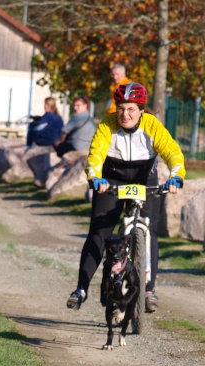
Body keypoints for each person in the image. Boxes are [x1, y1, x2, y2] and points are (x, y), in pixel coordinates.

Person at [66, 82, 185, 314]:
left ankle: (149, 290)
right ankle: (81, 289)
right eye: (121, 108)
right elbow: (95, 155)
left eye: (131, 109)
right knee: (99, 233)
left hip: (144, 179)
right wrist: (95, 178)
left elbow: (172, 152)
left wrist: (176, 176)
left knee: (149, 231)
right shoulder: (107, 126)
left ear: (141, 109)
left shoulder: (152, 125)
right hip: (111, 180)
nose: (125, 114)